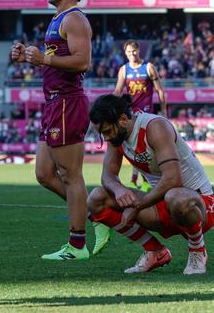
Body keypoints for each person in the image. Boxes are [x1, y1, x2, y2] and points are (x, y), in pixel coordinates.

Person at [10, 0, 100, 260]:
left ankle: (77, 246)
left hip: (67, 102)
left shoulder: (74, 19)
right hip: (54, 103)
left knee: (71, 175)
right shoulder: (58, 18)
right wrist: (29, 57)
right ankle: (97, 213)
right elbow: (54, 58)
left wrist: (45, 61)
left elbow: (82, 62)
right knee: (44, 173)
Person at [88, 94, 212, 274]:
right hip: (160, 202)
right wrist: (119, 189)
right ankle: (155, 251)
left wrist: (137, 206)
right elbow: (107, 176)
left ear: (123, 119)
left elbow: (173, 180)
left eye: (107, 131)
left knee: (175, 196)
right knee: (97, 198)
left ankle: (197, 250)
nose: (105, 138)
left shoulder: (155, 127)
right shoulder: (118, 135)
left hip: (199, 204)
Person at [113, 40, 168, 192]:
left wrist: (164, 111)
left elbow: (160, 91)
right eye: (129, 52)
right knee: (135, 148)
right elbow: (118, 91)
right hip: (131, 113)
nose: (132, 54)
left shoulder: (148, 67)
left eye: (134, 51)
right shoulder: (124, 70)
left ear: (138, 50)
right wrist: (110, 104)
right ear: (125, 53)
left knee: (143, 148)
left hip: (146, 113)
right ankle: (140, 180)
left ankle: (141, 179)